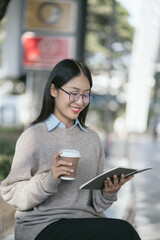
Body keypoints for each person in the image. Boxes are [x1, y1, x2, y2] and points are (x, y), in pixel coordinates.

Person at [0, 59, 141, 240]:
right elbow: (11, 192)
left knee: (121, 230)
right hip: (43, 226)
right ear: (53, 90)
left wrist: (109, 192)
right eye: (73, 93)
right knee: (121, 231)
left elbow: (97, 205)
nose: (80, 102)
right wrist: (50, 178)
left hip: (85, 223)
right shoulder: (33, 136)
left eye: (86, 95)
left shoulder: (92, 139)